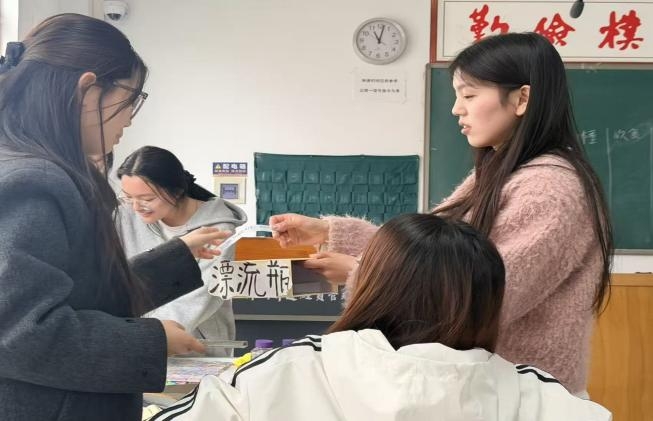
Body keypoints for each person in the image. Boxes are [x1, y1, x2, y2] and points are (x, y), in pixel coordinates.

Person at [269, 32, 613, 395]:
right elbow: (432, 257)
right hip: (491, 390)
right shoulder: (501, 173)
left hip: (523, 398)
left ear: (522, 99)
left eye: (469, 95)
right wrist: (328, 232)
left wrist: (360, 273)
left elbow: (480, 301)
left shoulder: (549, 191)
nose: (456, 109)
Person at [152, 214, 611, 421]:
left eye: (469, 94)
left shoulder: (282, 374)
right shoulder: (540, 398)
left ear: (370, 282)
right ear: (488, 300)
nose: (459, 109)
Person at [0, 13, 230, 421]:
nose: (130, 117)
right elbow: (18, 331)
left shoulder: (37, 167)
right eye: (130, 98)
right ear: (88, 90)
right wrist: (151, 341)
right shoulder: (32, 180)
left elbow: (87, 294)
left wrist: (178, 254)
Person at [116, 146, 247, 354]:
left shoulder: (218, 229)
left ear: (176, 191)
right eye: (128, 197)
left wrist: (146, 335)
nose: (136, 207)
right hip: (139, 343)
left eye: (147, 199)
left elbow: (200, 298)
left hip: (198, 349)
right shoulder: (124, 216)